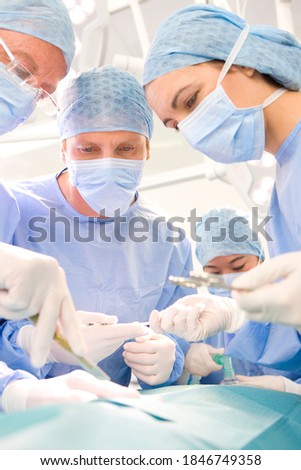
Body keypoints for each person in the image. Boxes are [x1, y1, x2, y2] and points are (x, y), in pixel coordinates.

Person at [2, 65, 197, 390]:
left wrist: (169, 356)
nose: (107, 162)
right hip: (18, 418)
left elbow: (177, 329)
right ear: (63, 148)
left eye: (126, 149)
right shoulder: (13, 211)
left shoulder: (169, 239)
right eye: (88, 149)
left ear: (148, 149)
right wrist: (35, 342)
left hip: (107, 416)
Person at [0, 0, 139, 412]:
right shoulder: (24, 209)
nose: (24, 99)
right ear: (66, 149)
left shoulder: (3, 207)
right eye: (21, 72)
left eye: (40, 91)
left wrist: (13, 387)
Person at [143, 3, 301, 334]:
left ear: (242, 63)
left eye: (190, 101)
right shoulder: (286, 179)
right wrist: (233, 312)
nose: (191, 128)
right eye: (175, 125)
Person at [182, 206, 301, 394]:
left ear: (260, 259)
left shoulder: (291, 304)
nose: (228, 278)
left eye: (238, 266)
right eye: (214, 272)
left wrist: (291, 389)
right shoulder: (205, 321)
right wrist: (188, 369)